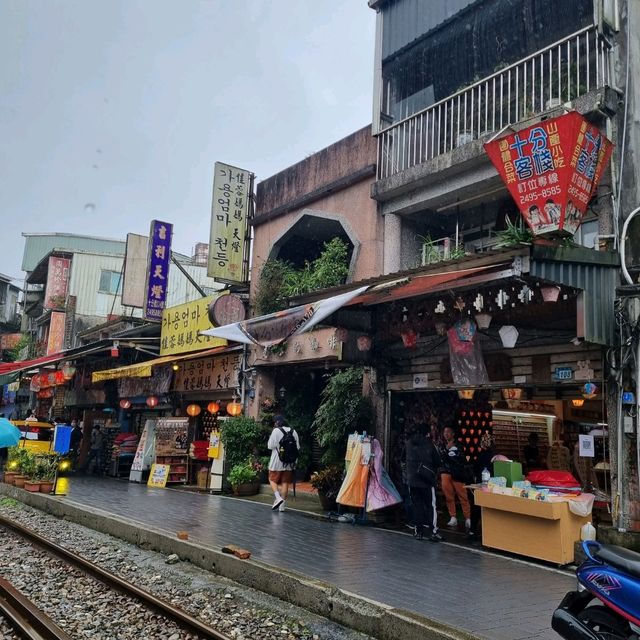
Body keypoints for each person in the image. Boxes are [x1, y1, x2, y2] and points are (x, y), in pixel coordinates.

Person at [405, 423, 442, 541]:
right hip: (427, 480)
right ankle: (433, 531)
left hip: (412, 480)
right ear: (427, 432)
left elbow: (403, 459)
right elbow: (437, 461)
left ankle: (418, 531)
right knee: (430, 505)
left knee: (417, 505)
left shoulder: (409, 443)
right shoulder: (429, 444)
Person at [439, 426, 471, 530]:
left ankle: (468, 518)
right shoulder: (442, 445)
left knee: (462, 495)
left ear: (453, 433)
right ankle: (453, 517)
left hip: (457, 473)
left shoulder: (459, 445)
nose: (446, 434)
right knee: (448, 496)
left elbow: (462, 458)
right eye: (444, 432)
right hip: (445, 472)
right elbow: (440, 457)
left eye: (448, 432)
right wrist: (446, 450)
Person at [267, 415, 299, 512]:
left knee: (272, 479)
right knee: (285, 482)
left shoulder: (276, 431)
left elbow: (270, 446)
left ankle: (278, 498)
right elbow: (297, 448)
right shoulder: (294, 431)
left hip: (277, 461)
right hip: (289, 462)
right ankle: (282, 506)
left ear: (277, 422)